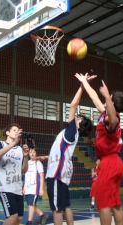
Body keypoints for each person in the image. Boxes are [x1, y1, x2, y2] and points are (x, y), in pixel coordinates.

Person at [75, 73, 123, 225]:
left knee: (103, 203)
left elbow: (112, 119)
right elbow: (93, 97)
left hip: (110, 162)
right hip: (113, 161)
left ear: (111, 101)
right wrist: (84, 82)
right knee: (115, 202)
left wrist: (107, 97)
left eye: (108, 97)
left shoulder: (112, 118)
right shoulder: (104, 113)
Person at [45, 74, 94, 225]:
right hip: (63, 172)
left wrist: (82, 85)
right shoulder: (72, 134)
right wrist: (43, 157)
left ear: (80, 123)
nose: (76, 117)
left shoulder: (72, 130)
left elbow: (73, 105)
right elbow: (59, 151)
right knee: (65, 206)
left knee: (56, 209)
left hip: (57, 173)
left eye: (79, 117)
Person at [0, 123, 29, 225]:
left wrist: (25, 157)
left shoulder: (19, 150)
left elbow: (24, 170)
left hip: (17, 187)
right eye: (14, 130)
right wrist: (14, 143)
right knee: (12, 217)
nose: (17, 132)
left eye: (18, 130)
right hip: (4, 186)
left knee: (19, 219)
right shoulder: (1, 144)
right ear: (7, 133)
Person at [24, 148, 48, 225]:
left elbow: (41, 176)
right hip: (28, 187)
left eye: (34, 152)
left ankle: (29, 221)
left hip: (35, 187)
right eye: (30, 152)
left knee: (31, 204)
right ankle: (42, 215)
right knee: (31, 203)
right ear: (28, 154)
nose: (32, 153)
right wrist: (24, 186)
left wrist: (41, 188)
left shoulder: (38, 163)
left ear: (36, 153)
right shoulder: (26, 163)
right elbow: (26, 176)